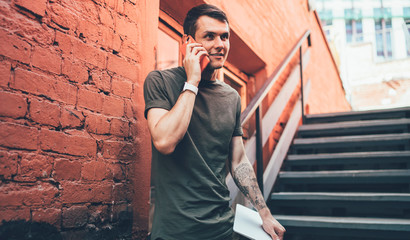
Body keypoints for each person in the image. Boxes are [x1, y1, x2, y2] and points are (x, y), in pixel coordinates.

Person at [143, 4, 285, 240]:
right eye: (210, 36)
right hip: (174, 231)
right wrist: (192, 82)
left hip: (222, 229)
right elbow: (164, 141)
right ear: (188, 41)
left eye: (225, 37)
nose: (221, 44)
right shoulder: (159, 81)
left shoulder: (231, 97)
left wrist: (265, 213)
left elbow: (238, 161)